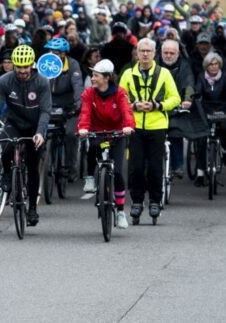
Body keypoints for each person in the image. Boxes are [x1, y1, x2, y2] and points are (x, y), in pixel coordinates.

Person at [0, 45, 51, 227]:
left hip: (34, 126)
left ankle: (32, 209)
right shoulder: (4, 81)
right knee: (5, 147)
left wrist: (40, 132)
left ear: (32, 65)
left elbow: (45, 111)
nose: (22, 71)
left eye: (26, 67)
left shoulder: (42, 82)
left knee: (32, 165)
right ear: (13, 65)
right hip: (13, 123)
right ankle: (7, 174)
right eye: (19, 67)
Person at [118, 38, 180, 224]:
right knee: (135, 167)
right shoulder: (128, 74)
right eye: (142, 51)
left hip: (157, 126)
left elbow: (175, 98)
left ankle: (155, 201)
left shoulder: (164, 74)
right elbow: (120, 98)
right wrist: (133, 106)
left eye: (148, 51)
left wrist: (158, 105)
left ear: (154, 54)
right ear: (137, 53)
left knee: (155, 167)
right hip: (135, 126)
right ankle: (137, 201)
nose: (145, 54)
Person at [77, 59, 135, 227]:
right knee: (92, 146)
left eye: (96, 75)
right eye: (92, 75)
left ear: (107, 77)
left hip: (117, 134)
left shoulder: (120, 93)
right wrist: (83, 128)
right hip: (98, 132)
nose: (92, 78)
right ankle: (90, 177)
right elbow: (85, 113)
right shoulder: (89, 93)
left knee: (117, 172)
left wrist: (128, 126)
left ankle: (121, 211)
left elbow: (127, 111)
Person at [192, 52, 226, 186]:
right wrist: (193, 101)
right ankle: (200, 174)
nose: (214, 67)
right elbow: (197, 90)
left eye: (216, 64)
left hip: (223, 108)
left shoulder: (225, 76)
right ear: (206, 66)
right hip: (207, 108)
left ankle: (225, 150)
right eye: (211, 64)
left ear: (219, 65)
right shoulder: (201, 77)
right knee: (202, 139)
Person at [44, 36, 84, 183]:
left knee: (71, 135)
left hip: (69, 106)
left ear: (63, 53)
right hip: (48, 105)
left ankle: (71, 167)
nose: (52, 55)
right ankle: (41, 164)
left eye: (55, 52)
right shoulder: (45, 64)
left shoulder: (73, 65)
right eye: (50, 51)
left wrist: (78, 104)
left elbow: (78, 86)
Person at [158, 39, 195, 180]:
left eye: (171, 53)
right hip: (156, 107)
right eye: (165, 52)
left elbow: (189, 83)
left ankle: (177, 165)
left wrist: (187, 99)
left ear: (178, 53)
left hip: (175, 106)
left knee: (175, 131)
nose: (168, 55)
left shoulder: (184, 66)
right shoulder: (154, 64)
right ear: (161, 52)